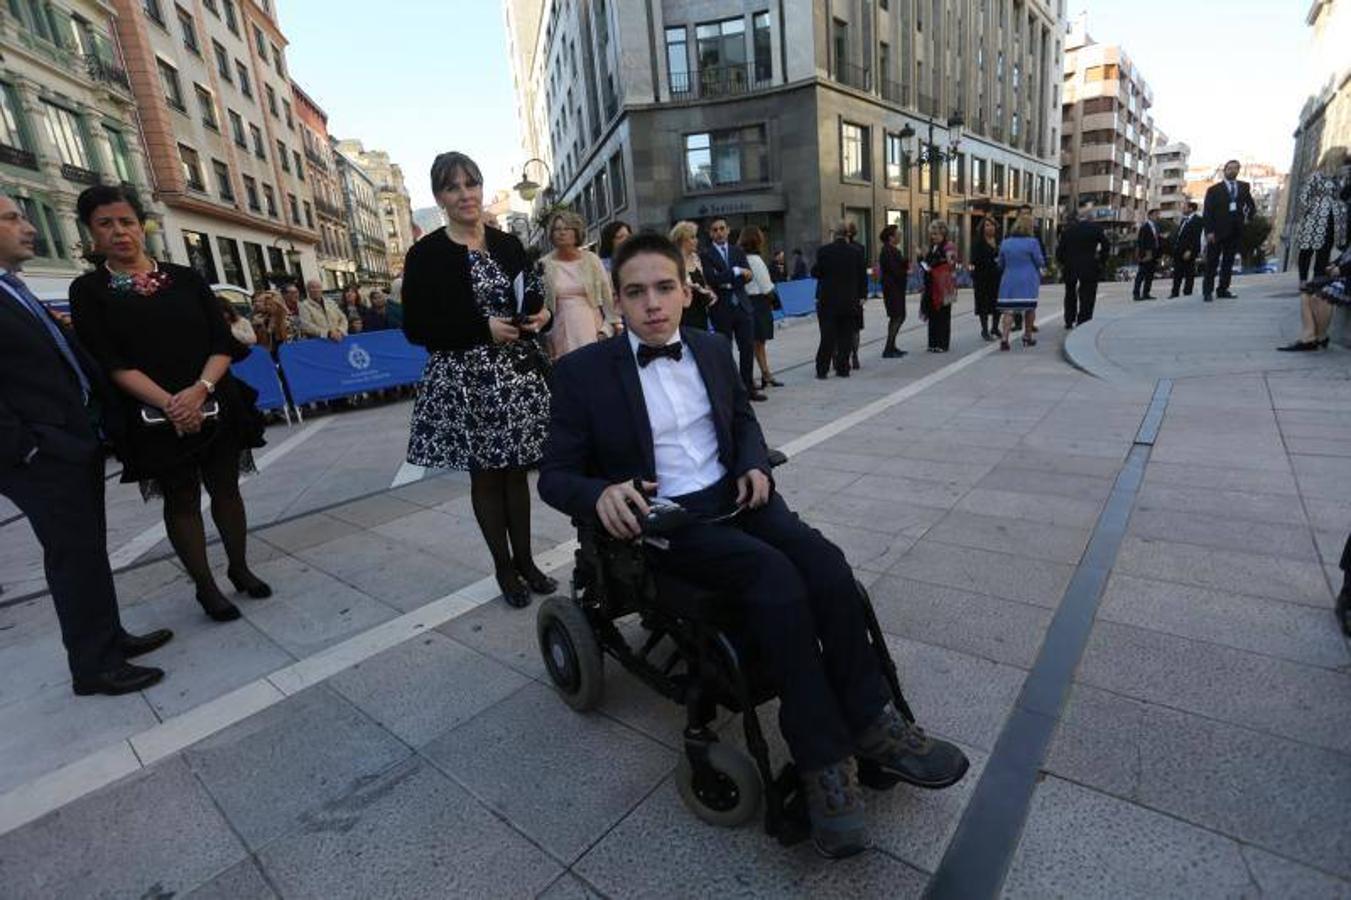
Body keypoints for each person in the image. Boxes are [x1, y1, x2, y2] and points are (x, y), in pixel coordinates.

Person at [537, 232, 969, 859]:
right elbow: (556, 475)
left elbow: (741, 419)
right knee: (775, 579)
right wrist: (598, 494)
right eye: (636, 293)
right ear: (617, 303)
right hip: (670, 524)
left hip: (740, 498)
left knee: (826, 565)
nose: (652, 304)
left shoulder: (712, 349)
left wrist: (753, 464)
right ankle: (824, 761)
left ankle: (874, 722)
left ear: (686, 292)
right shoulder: (583, 374)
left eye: (664, 288)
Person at [70, 184, 270, 624]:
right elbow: (109, 361)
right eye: (106, 224)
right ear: (91, 232)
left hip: (215, 398)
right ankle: (206, 588)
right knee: (180, 497)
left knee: (227, 488)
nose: (119, 232)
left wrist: (199, 391)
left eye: (126, 221)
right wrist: (172, 405)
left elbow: (221, 342)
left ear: (142, 226)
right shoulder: (89, 290)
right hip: (150, 414)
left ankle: (239, 567)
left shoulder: (185, 277)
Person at [0, 193, 172, 696]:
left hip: (70, 442)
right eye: (12, 218)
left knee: (87, 551)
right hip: (40, 454)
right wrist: (26, 448)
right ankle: (93, 665)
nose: (28, 228)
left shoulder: (14, 288)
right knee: (73, 556)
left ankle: (108, 639)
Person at [400, 151, 555, 609]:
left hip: (515, 375)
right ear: (439, 197)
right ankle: (504, 569)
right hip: (465, 380)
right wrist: (480, 328)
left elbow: (533, 296)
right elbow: (416, 327)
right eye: (453, 187)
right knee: (487, 476)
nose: (465, 194)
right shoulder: (425, 254)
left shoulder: (507, 244)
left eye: (471, 184)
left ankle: (526, 561)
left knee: (516, 475)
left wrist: (541, 316)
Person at [701, 218, 763, 400]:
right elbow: (712, 279)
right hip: (721, 307)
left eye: (722, 228)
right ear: (710, 233)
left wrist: (731, 276)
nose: (719, 232)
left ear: (728, 230)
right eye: (715, 230)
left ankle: (748, 388)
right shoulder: (706, 254)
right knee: (724, 350)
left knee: (747, 348)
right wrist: (735, 272)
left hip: (742, 304)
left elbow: (748, 276)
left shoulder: (738, 251)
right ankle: (730, 390)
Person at [540, 209, 615, 360]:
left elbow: (608, 296)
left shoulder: (592, 260)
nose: (561, 233)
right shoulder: (544, 264)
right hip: (560, 332)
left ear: (576, 232)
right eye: (556, 229)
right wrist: (546, 338)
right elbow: (542, 305)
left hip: (592, 329)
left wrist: (607, 329)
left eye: (566, 228)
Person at [812, 222, 868, 377]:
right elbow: (862, 276)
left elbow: (816, 272)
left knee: (827, 337)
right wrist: (862, 296)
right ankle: (843, 368)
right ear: (847, 234)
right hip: (849, 300)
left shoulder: (824, 251)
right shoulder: (856, 252)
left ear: (834, 234)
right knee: (846, 336)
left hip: (828, 301)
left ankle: (822, 369)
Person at [1278, 240, 1351, 351]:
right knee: (1307, 291)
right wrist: (1333, 265)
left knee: (1321, 296)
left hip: (1347, 281)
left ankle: (1321, 336)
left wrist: (1341, 269)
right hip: (1342, 277)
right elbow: (1344, 256)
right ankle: (1308, 336)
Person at [1202, 159, 1258, 301]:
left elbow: (1251, 205)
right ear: (1224, 170)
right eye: (1230, 168)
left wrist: (1248, 218)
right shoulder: (1214, 190)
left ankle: (1223, 289)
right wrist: (1209, 231)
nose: (1232, 170)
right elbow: (1207, 212)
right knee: (1212, 262)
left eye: (1235, 168)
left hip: (1234, 231)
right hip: (1216, 232)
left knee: (1228, 262)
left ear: (1238, 171)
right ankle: (1207, 291)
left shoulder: (1244, 187)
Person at [1293, 152, 1348, 285]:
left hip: (1332, 219)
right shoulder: (1316, 176)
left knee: (1324, 250)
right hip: (1314, 219)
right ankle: (1303, 280)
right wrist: (1313, 208)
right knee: (1307, 250)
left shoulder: (1338, 179)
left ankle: (1318, 279)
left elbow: (1342, 196)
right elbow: (1304, 196)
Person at [739, 225, 781, 390]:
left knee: (756, 343)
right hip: (758, 303)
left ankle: (765, 374)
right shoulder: (755, 260)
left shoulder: (743, 258)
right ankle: (763, 375)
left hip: (749, 301)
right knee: (758, 342)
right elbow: (766, 286)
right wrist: (776, 301)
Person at [996, 213, 1046, 351]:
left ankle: (1005, 339)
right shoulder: (1032, 242)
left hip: (1009, 278)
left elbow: (1000, 263)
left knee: (1009, 310)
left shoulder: (1005, 242)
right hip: (1028, 279)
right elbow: (1039, 261)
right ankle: (1027, 337)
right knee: (1029, 308)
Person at [1056, 207, 1110, 327]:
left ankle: (1069, 319)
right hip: (1089, 265)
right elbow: (1106, 245)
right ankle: (1083, 319)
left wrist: (1064, 262)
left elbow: (1060, 251)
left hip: (1071, 266)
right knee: (1088, 294)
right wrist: (1101, 260)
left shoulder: (1068, 231)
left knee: (1070, 293)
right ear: (1091, 218)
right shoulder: (1096, 229)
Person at [918, 220, 959, 353]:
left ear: (943, 233)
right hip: (932, 285)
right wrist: (921, 258)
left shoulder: (949, 246)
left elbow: (951, 264)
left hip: (944, 285)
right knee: (933, 314)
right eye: (932, 234)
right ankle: (933, 343)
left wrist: (935, 265)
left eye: (935, 234)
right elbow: (927, 266)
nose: (933, 236)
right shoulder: (933, 247)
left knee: (943, 315)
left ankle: (942, 344)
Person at [670, 220, 716, 333]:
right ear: (682, 240)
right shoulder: (673, 261)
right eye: (692, 237)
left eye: (695, 237)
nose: (696, 240)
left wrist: (710, 293)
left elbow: (704, 283)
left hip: (701, 311)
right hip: (684, 313)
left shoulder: (696, 258)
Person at [879, 224, 910, 356]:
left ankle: (892, 346)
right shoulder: (887, 251)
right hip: (892, 288)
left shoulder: (893, 250)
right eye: (898, 234)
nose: (900, 237)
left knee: (899, 316)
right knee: (897, 316)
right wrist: (905, 269)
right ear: (891, 237)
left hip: (896, 288)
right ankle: (888, 348)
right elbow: (894, 270)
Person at [971, 217, 1001, 341]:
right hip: (982, 277)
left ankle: (995, 327)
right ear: (983, 228)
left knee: (997, 303)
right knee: (983, 303)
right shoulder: (978, 242)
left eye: (992, 225)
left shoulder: (999, 241)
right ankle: (984, 329)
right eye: (987, 225)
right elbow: (974, 259)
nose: (990, 227)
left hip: (996, 277)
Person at [1169, 201, 1204, 298]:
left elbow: (1196, 237)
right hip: (1178, 250)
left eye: (1184, 207)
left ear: (1191, 209)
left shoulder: (1198, 220)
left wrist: (1190, 250)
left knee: (1189, 272)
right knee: (1177, 272)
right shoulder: (1184, 220)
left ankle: (1187, 292)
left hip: (1188, 251)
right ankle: (1174, 292)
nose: (1182, 208)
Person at [1133, 209, 1162, 302]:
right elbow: (1141, 242)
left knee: (1150, 275)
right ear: (1149, 216)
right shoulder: (1144, 227)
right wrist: (1142, 255)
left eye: (1158, 214)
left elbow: (1156, 240)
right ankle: (1136, 294)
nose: (1158, 216)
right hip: (1146, 255)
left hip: (1154, 255)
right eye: (1156, 214)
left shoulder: (1156, 227)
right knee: (1141, 275)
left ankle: (1146, 293)